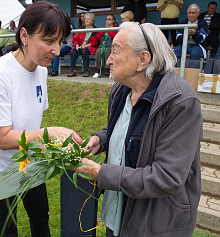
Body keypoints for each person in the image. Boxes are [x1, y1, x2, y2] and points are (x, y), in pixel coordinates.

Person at [74, 22, 202, 237]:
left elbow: (167, 177)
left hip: (153, 223)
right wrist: (101, 139)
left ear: (143, 59)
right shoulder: (122, 89)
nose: (108, 60)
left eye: (116, 51)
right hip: (119, 210)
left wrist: (100, 173)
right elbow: (130, 129)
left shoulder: (180, 102)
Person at [0, 2, 83, 237]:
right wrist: (51, 133)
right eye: (49, 41)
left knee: (40, 218)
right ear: (24, 35)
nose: (57, 49)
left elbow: (30, 124)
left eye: (60, 42)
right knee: (6, 231)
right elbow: (2, 138)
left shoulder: (41, 71)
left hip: (28, 164)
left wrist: (52, 148)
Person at [67, 13, 99, 77]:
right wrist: (76, 45)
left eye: (88, 19)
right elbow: (75, 39)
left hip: (89, 47)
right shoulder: (82, 29)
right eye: (85, 19)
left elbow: (96, 42)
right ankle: (73, 71)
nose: (86, 20)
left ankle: (86, 70)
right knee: (73, 51)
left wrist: (85, 46)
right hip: (80, 46)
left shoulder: (96, 30)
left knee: (84, 52)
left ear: (92, 21)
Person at [49, 11, 73, 76]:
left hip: (68, 45)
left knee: (57, 52)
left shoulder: (69, 26)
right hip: (61, 45)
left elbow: (64, 37)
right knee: (53, 51)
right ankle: (53, 69)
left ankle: (55, 70)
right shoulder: (59, 26)